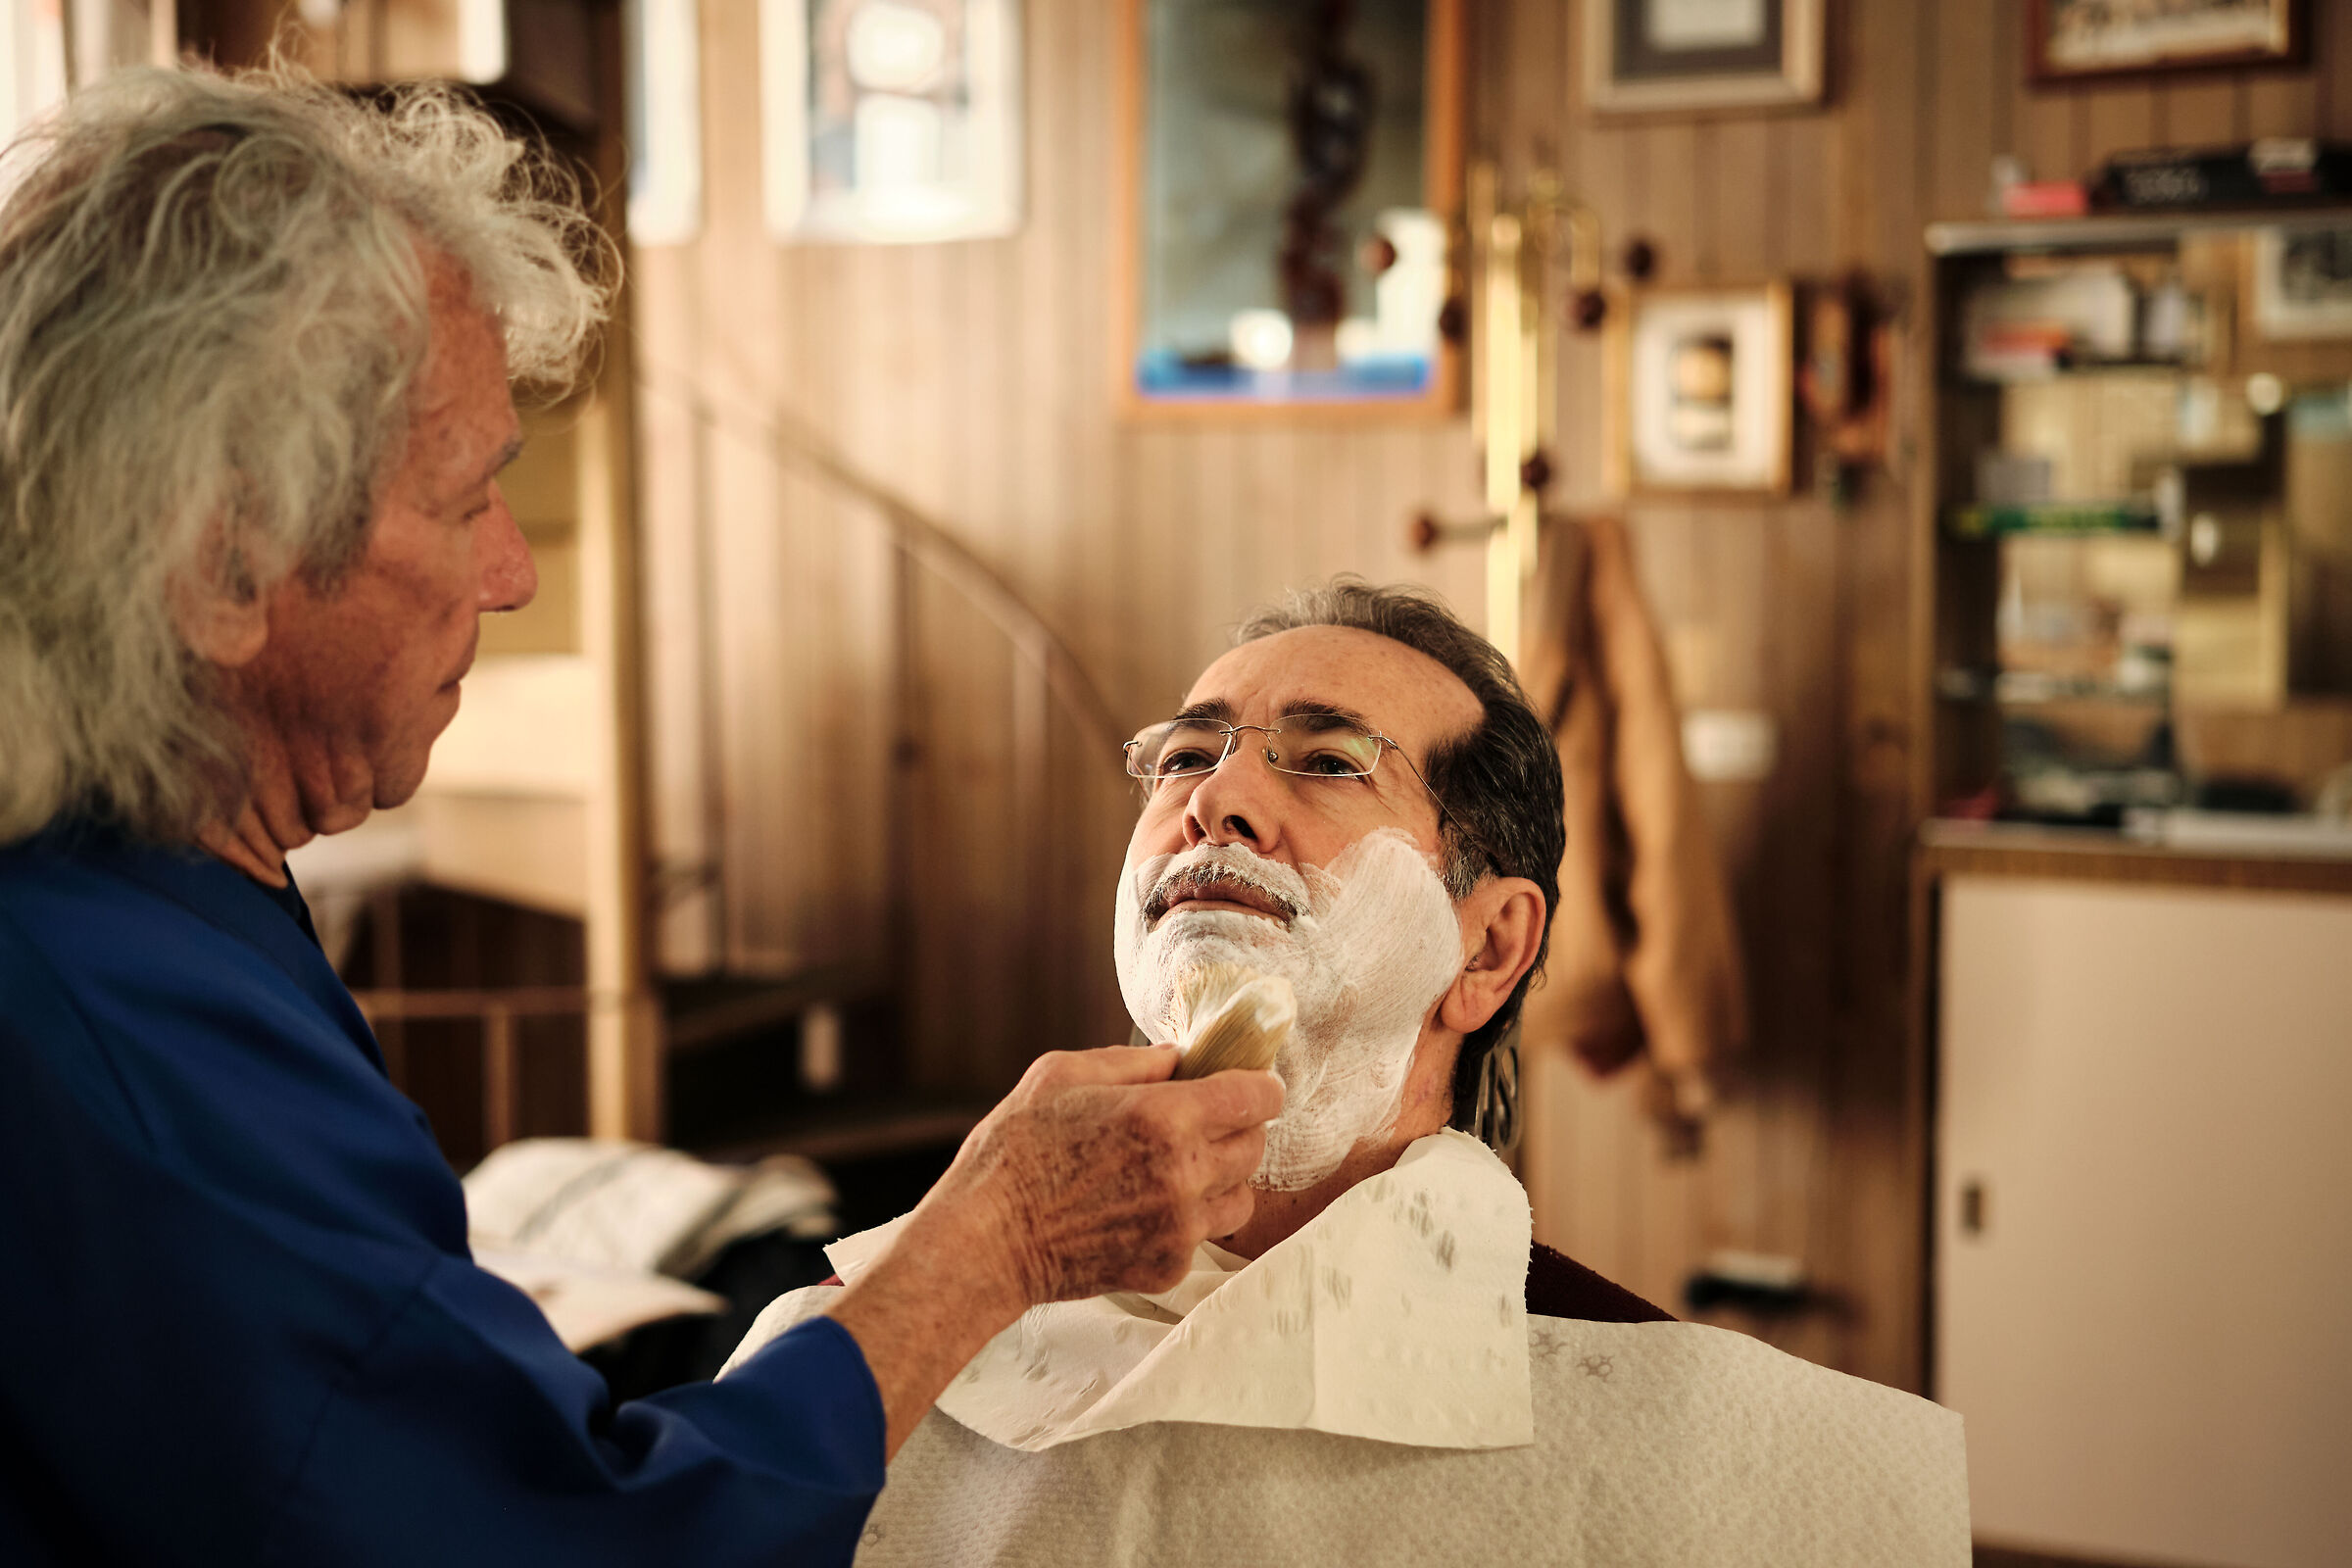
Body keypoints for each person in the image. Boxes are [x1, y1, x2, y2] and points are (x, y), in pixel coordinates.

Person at [0, 64, 1280, 1567]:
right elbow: (574, 1548)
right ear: (221, 568)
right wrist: (990, 1240)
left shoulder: (156, 895)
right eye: (469, 494)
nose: (512, 573)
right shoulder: (112, 1034)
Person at [729, 581, 1970, 1566]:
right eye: (1184, 757)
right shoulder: (837, 1356)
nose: (1217, 798)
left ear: (1489, 947)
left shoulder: (1723, 1459)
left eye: (1326, 762)